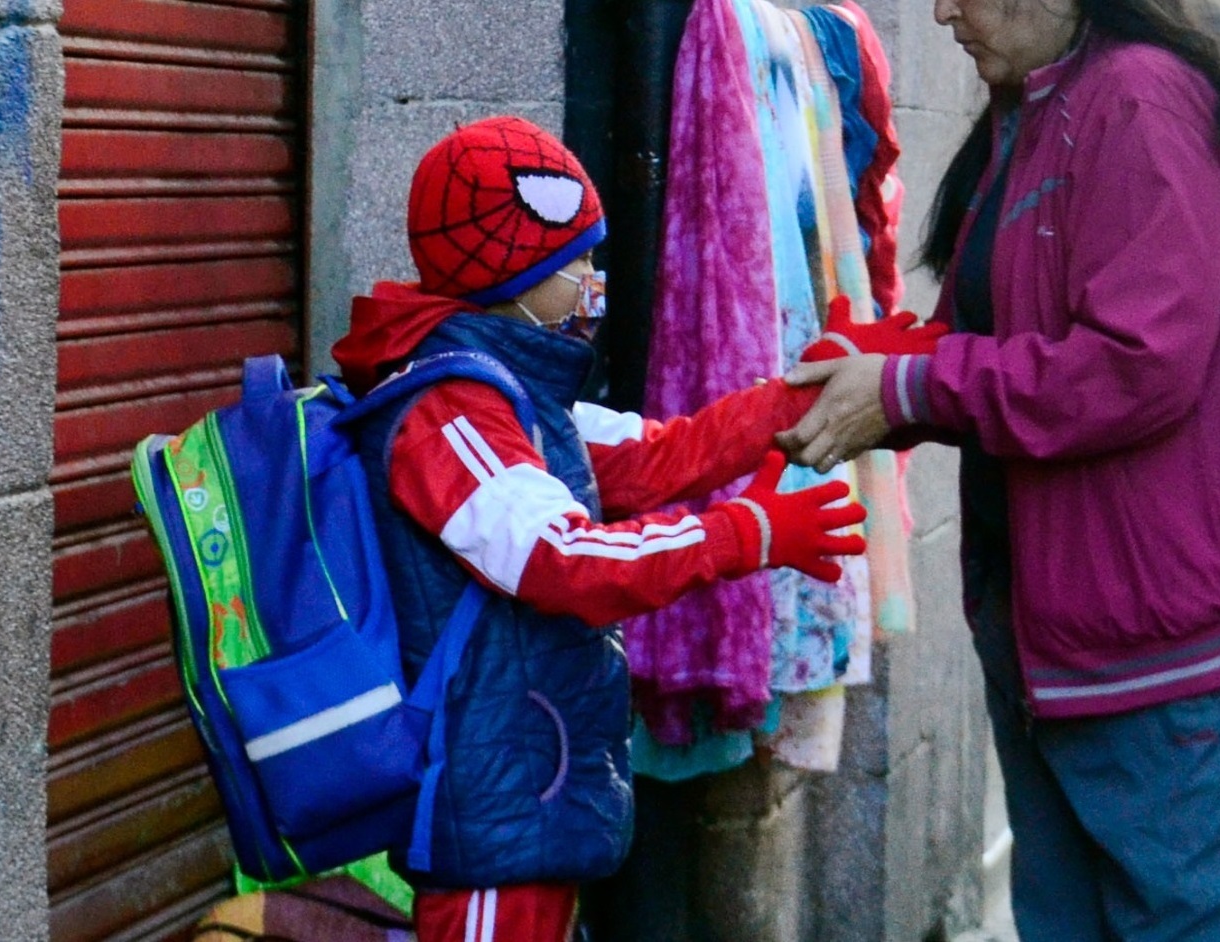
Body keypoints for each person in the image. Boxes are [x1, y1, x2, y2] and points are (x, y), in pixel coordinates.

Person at [777, 2, 1220, 940]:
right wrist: (877, 373)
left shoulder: (1139, 101)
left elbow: (1135, 365)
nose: (943, 11)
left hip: (1161, 651)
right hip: (1059, 636)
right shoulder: (1036, 105)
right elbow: (1017, 334)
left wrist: (911, 388)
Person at [330, 116, 940, 942]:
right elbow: (561, 560)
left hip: (526, 789)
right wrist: (741, 536)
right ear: (510, 271)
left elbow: (655, 457)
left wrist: (794, 395)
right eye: (574, 261)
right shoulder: (447, 414)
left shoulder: (513, 396)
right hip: (484, 809)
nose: (593, 281)